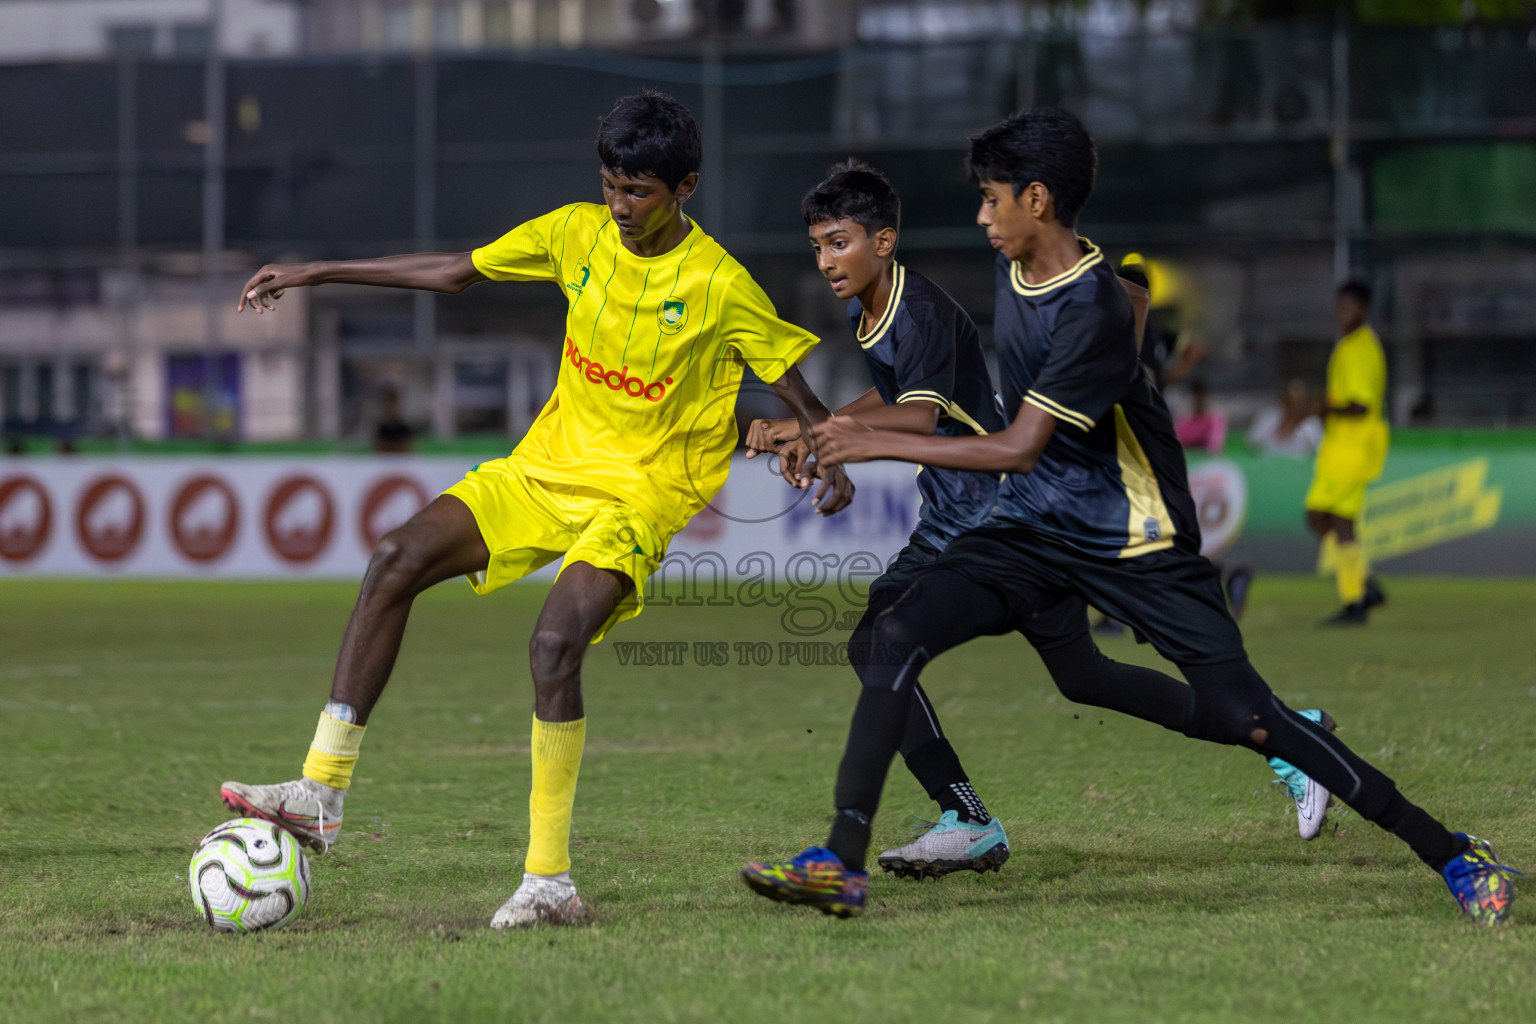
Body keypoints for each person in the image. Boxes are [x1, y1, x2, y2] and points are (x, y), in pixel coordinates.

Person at [741, 107, 1519, 925]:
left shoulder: (1088, 308)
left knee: (1246, 718)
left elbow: (1017, 445)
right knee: (892, 636)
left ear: (1037, 200)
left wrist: (859, 439)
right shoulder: (1027, 268)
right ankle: (842, 859)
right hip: (1034, 528)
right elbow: (1113, 319)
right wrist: (845, 430)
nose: (979, 214)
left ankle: (1451, 852)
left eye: (991, 198)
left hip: (1134, 539)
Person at [219, 91, 853, 929]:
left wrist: (829, 453)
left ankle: (549, 881)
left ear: (685, 186)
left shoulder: (719, 283)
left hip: (641, 494)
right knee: (393, 558)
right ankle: (320, 791)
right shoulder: (573, 234)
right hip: (543, 472)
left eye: (640, 193)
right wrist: (313, 271)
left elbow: (798, 389)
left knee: (554, 643)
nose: (620, 209)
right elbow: (453, 272)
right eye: (611, 187)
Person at [745, 160, 1326, 881]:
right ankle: (1289, 737)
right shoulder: (869, 312)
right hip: (963, 512)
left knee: (881, 645)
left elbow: (918, 415)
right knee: (1084, 677)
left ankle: (963, 820)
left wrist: (818, 436)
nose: (826, 261)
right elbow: (892, 398)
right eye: (817, 247)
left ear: (884, 241)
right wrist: (818, 431)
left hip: (993, 519)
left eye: (839, 243)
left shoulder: (918, 309)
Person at [1305, 280, 1389, 625]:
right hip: (1341, 447)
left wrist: (1321, 408)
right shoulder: (1352, 345)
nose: (1342, 314)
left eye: (1349, 307)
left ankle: (1355, 601)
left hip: (1353, 447)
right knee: (1320, 518)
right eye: (1339, 307)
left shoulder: (1361, 349)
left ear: (1364, 309)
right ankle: (1365, 584)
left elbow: (1360, 406)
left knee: (1337, 521)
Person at [1248, 378, 1322, 458]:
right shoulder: (1268, 417)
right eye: (1290, 400)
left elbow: (1319, 451)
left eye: (1299, 401)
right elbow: (1251, 443)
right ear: (1283, 398)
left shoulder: (1311, 424)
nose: (1294, 405)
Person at [1174, 378, 1227, 454]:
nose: (1198, 400)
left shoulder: (1215, 417)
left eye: (1201, 396)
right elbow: (1177, 442)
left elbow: (1215, 445)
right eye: (1195, 396)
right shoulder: (1184, 417)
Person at [371, 387, 413, 454]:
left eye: (394, 404)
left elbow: (408, 448)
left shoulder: (404, 428)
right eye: (390, 404)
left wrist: (389, 447)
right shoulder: (381, 428)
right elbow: (377, 448)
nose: (392, 408)